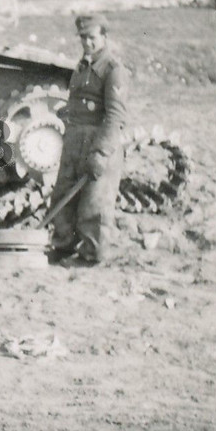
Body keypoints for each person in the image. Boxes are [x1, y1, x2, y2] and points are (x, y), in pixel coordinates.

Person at [49, 14, 129, 265]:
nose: (87, 43)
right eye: (83, 38)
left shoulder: (113, 70)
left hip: (98, 141)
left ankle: (92, 255)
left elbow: (115, 115)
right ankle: (63, 246)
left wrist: (101, 152)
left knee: (94, 204)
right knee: (64, 195)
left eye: (92, 38)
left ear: (104, 37)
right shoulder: (82, 67)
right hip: (75, 140)